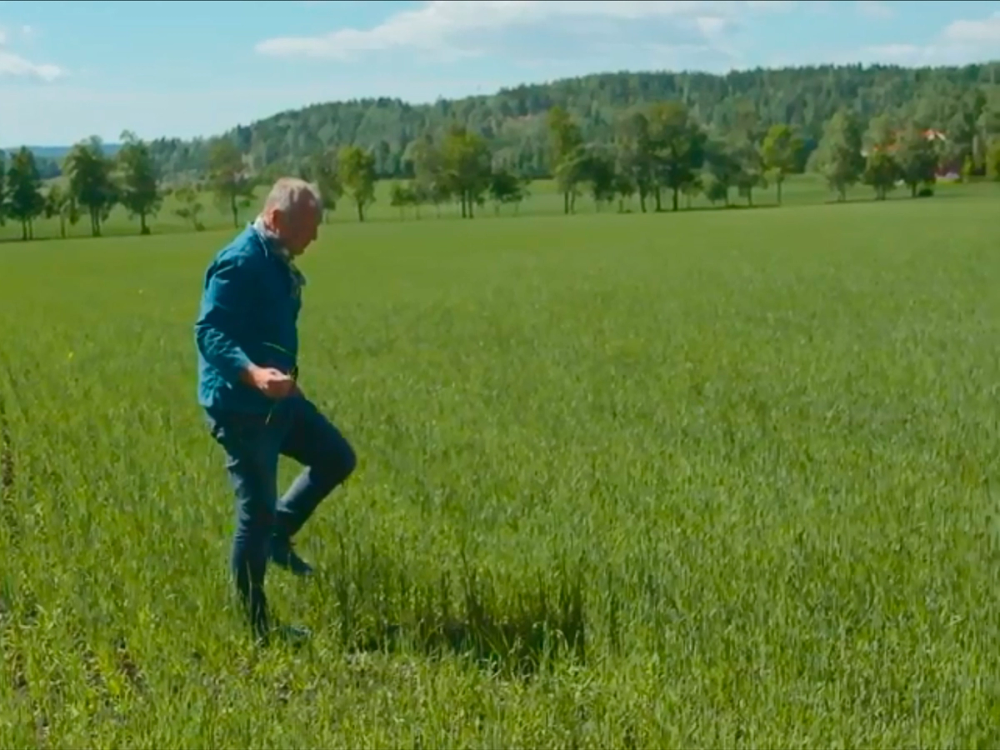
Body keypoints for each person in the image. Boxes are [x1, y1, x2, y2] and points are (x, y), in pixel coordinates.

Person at [194, 177, 357, 644]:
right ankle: (258, 625)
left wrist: (282, 378)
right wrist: (254, 373)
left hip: (277, 399)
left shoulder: (276, 259)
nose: (316, 237)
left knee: (336, 457)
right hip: (242, 407)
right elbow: (210, 332)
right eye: (310, 226)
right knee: (255, 511)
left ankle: (278, 535)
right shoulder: (239, 262)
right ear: (278, 219)